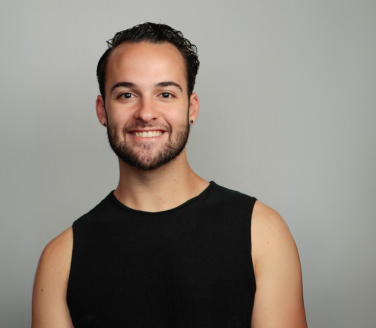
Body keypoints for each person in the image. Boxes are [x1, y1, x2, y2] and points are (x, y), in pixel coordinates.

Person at [32, 22, 307, 328]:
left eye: (165, 94)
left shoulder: (262, 234)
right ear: (102, 110)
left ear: (192, 107)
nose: (146, 113)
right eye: (126, 95)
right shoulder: (60, 260)